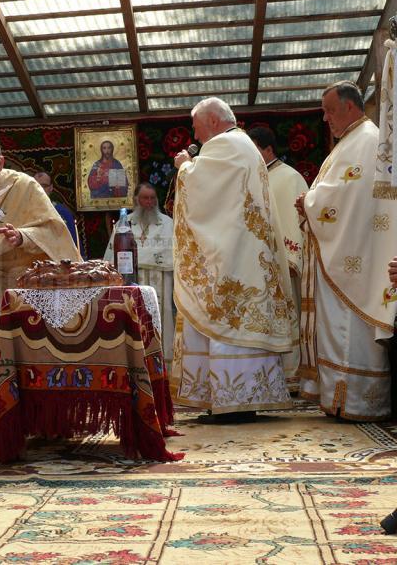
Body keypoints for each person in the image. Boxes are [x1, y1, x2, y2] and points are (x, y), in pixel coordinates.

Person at [171, 97, 296, 423]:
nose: (196, 137)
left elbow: (202, 188)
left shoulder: (226, 145)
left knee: (226, 318)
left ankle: (232, 403)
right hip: (241, 252)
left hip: (233, 258)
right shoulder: (241, 145)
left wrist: (185, 166)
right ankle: (237, 400)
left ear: (213, 121)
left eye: (197, 128)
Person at [296, 81, 397, 422]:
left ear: (350, 107)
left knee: (350, 330)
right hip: (351, 251)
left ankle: (355, 402)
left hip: (356, 258)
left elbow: (347, 198)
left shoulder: (366, 140)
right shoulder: (353, 141)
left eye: (329, 110)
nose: (325, 119)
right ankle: (341, 399)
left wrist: (309, 202)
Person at [0, 134, 81, 311]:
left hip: (22, 283)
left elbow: (54, 232)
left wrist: (22, 236)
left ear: (0, 163)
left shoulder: (25, 186)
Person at [248, 126, 308, 392]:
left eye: (254, 150)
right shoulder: (255, 176)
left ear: (268, 148)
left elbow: (297, 221)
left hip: (285, 266)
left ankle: (292, 377)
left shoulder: (289, 177)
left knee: (288, 318)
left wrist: (292, 259)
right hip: (258, 265)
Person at [103, 182, 175, 362]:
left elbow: (172, 253)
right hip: (130, 282)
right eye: (145, 198)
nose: (149, 202)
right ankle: (135, 359)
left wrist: (137, 256)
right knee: (133, 319)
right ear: (136, 200)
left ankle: (162, 360)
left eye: (152, 198)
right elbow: (112, 255)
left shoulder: (168, 223)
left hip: (161, 283)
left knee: (161, 317)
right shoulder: (123, 223)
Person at [33, 171, 79, 249]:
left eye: (44, 186)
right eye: (36, 185)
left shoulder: (61, 212)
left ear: (51, 188)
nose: (40, 188)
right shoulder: (22, 209)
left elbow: (72, 243)